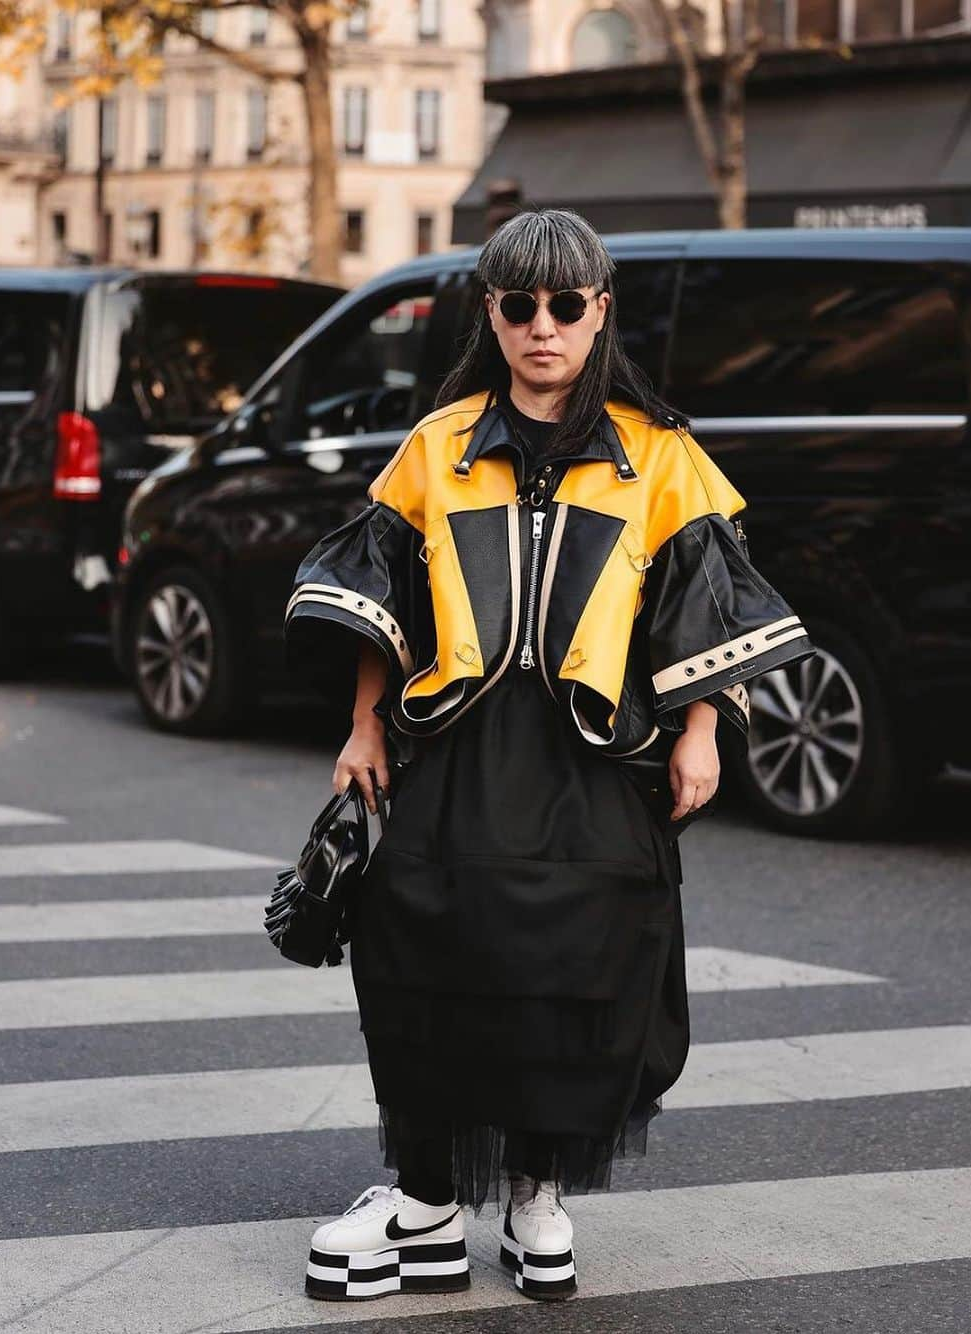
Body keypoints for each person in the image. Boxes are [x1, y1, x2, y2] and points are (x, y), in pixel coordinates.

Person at [284, 207, 815, 1304]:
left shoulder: (659, 453)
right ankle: (426, 1201)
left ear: (599, 313)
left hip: (597, 761)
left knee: (577, 974)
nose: (543, 326)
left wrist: (706, 730)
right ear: (492, 312)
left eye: (566, 305)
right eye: (520, 304)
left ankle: (537, 1201)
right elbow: (384, 597)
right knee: (421, 954)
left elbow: (701, 600)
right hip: (455, 752)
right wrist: (363, 721)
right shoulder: (438, 445)